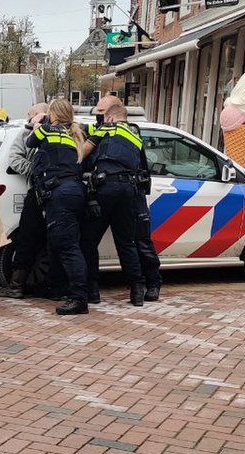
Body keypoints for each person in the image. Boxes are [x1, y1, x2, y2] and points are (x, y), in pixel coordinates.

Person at [89, 95, 162, 302]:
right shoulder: (101, 131)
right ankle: (135, 288)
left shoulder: (129, 131)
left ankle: (152, 283)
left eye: (101, 113)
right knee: (125, 242)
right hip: (118, 192)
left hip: (132, 194)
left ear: (112, 114)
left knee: (140, 242)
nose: (98, 118)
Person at [26, 98, 90, 315]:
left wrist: (38, 124)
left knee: (68, 247)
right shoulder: (75, 134)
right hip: (73, 191)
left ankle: (79, 298)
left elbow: (30, 143)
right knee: (57, 243)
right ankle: (57, 288)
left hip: (60, 194)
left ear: (52, 114)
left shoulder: (46, 130)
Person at [0, 102, 61, 300]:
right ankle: (16, 285)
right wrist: (36, 172)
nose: (31, 118)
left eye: (34, 115)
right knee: (27, 239)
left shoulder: (63, 133)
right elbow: (16, 158)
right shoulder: (26, 134)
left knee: (55, 241)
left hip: (54, 195)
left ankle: (51, 286)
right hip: (38, 193)